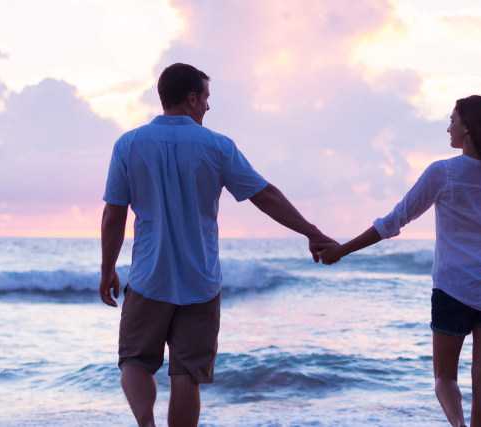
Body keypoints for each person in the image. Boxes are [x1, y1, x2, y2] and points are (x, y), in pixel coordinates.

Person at [98, 63, 336, 427]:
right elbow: (265, 195)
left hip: (148, 278)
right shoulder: (218, 146)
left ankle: (146, 424)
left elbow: (113, 216)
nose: (208, 107)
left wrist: (107, 269)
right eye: (206, 98)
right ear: (191, 98)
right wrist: (310, 231)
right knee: (187, 374)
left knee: (134, 361)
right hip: (201, 282)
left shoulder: (129, 145)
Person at [316, 95, 481, 427]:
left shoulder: (443, 173)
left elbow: (394, 221)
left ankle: (459, 426)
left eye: (452, 120)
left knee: (444, 378)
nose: (448, 126)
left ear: (468, 129)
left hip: (453, 289)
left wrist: (342, 250)